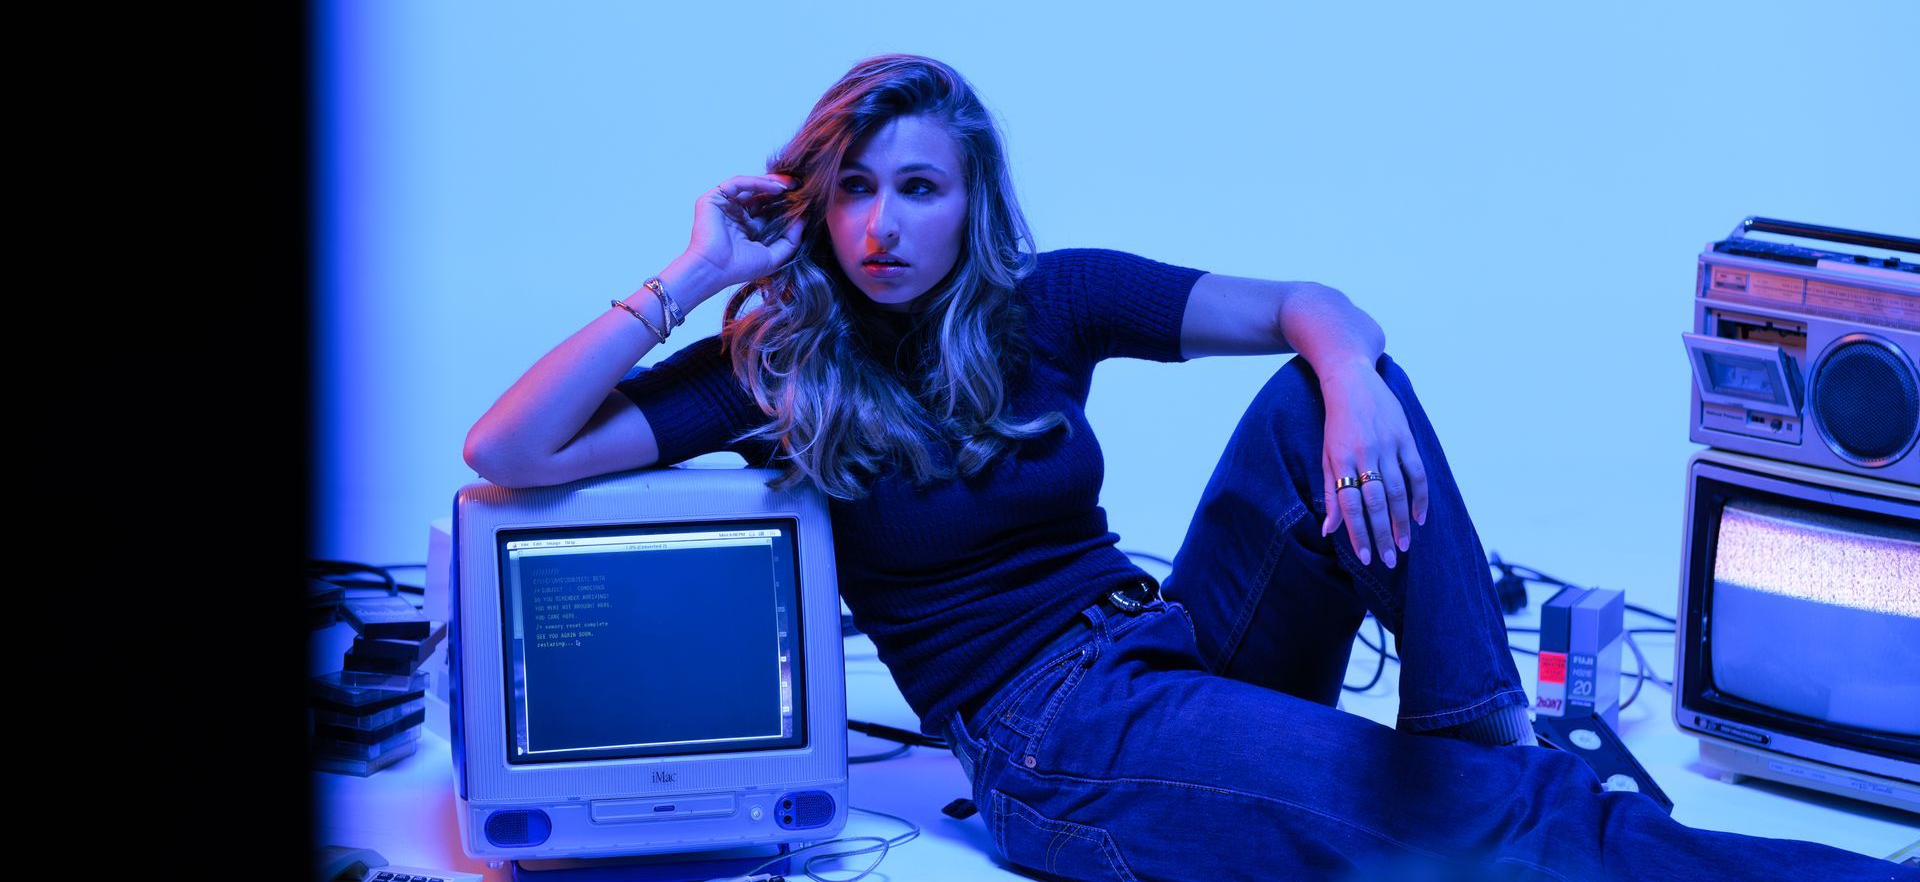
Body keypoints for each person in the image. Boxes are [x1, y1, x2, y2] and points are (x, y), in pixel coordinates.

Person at [463, 55, 1896, 881]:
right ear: (815, 203)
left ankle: (1476, 762)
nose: (885, 224)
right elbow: (509, 449)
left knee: (1345, 386)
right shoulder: (778, 367)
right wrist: (700, 268)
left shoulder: (1050, 300)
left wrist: (1346, 389)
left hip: (1170, 640)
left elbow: (1309, 308)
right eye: (855, 188)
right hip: (1049, 738)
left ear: (973, 202)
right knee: (1520, 829)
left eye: (920, 186)